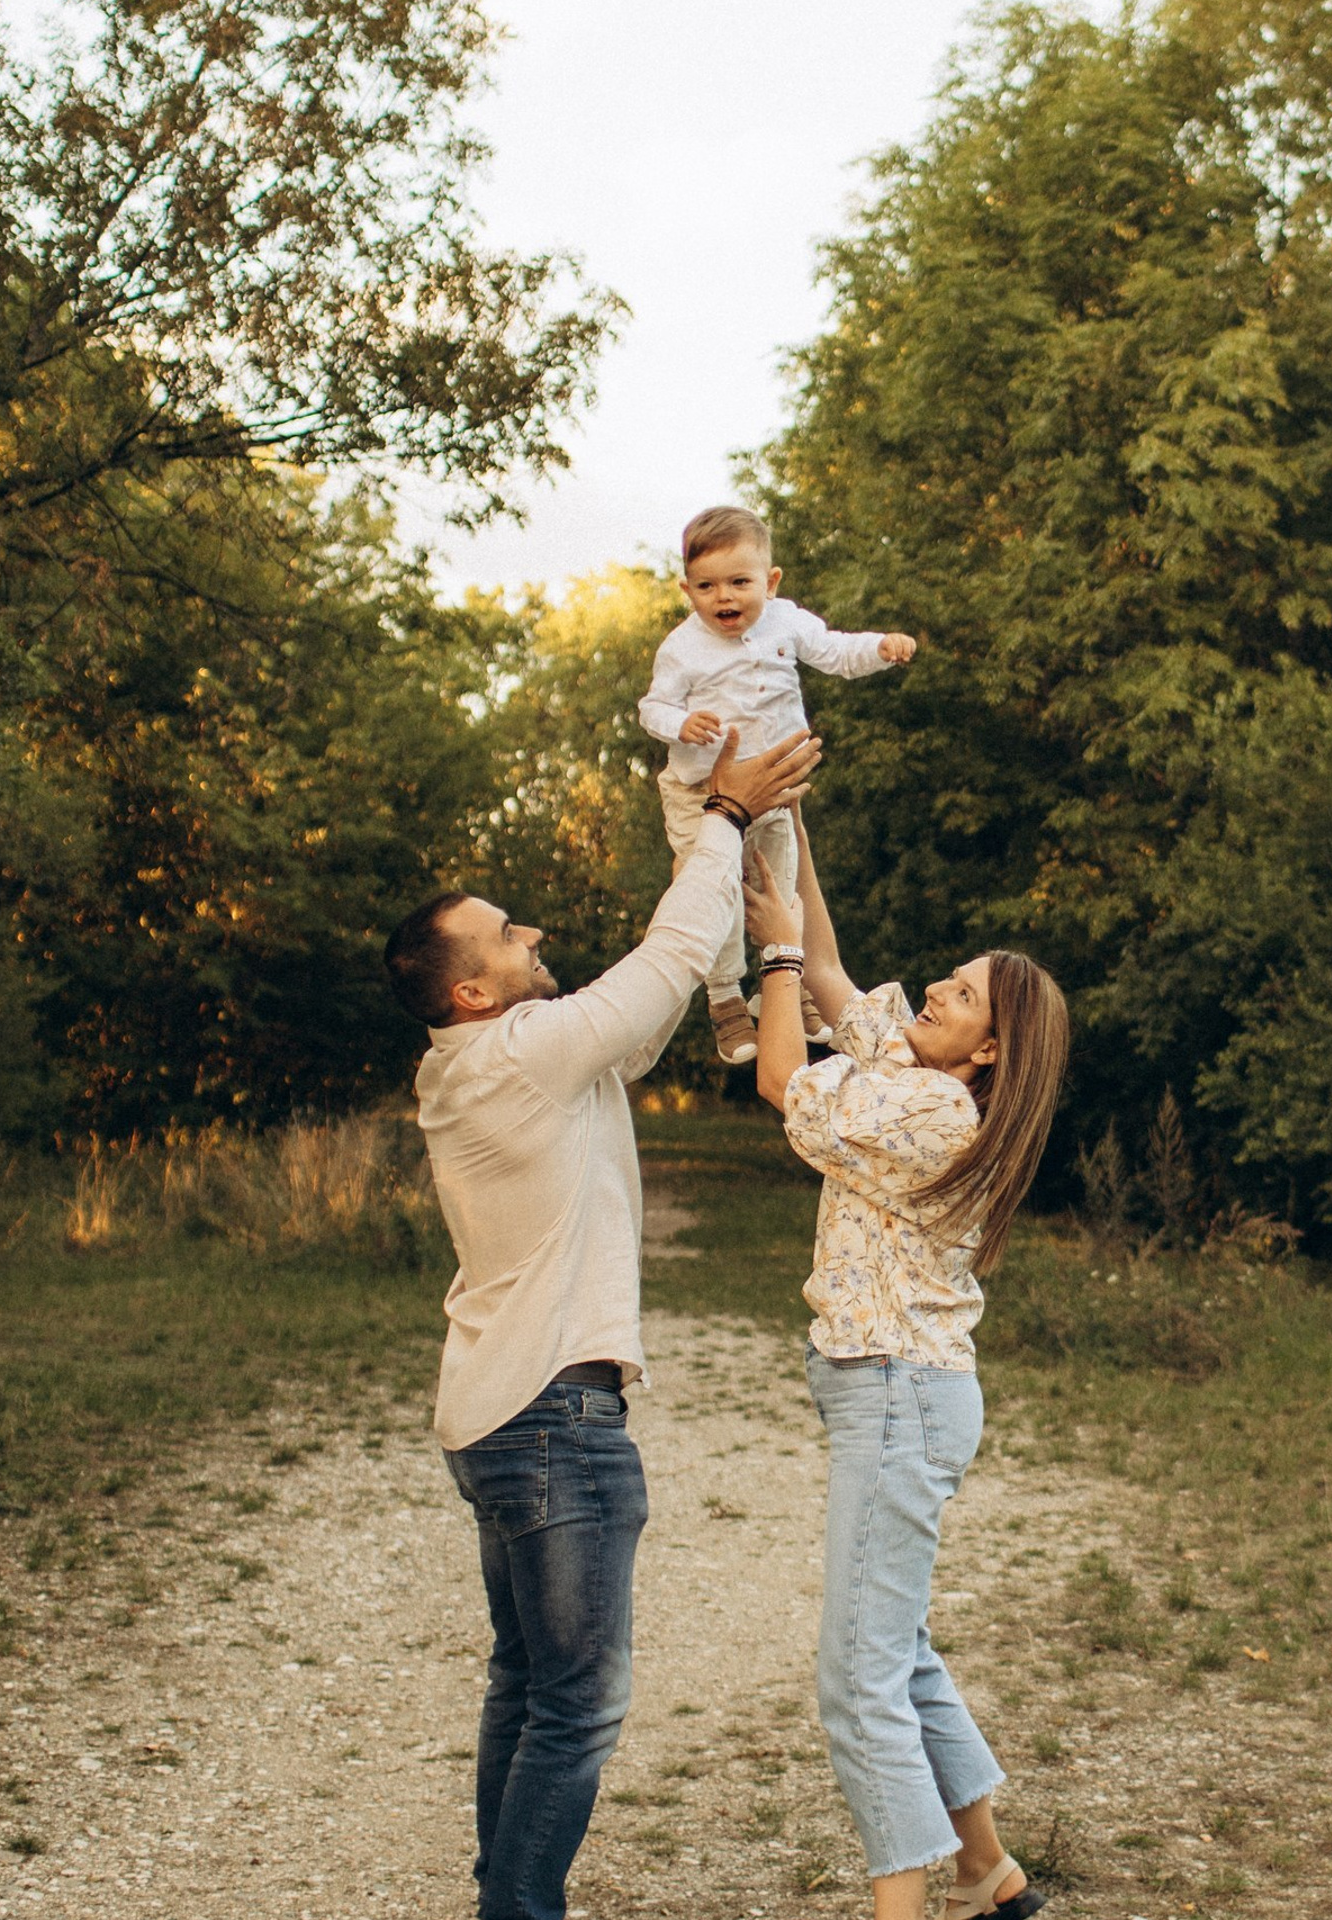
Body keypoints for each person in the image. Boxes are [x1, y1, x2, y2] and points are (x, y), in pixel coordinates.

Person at [382, 728, 820, 1920]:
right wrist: (721, 815)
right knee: (577, 1704)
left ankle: (509, 1899)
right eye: (509, 933)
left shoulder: (490, 1061)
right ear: (472, 989)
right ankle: (516, 1912)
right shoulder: (518, 1056)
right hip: (554, 1420)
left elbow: (653, 997)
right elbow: (671, 951)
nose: (534, 936)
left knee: (527, 1686)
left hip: (501, 1415)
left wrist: (719, 862)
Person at [742, 810, 1070, 1920]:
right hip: (892, 1394)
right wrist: (787, 832)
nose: (939, 987)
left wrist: (773, 955)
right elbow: (834, 967)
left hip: (897, 1395)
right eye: (957, 975)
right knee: (900, 1649)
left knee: (857, 1680)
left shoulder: (931, 1109)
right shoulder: (907, 1066)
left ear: (989, 1052)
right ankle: (988, 1871)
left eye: (965, 995)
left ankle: (904, 1909)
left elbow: (780, 1073)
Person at [637, 504, 918, 1065]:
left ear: (770, 582)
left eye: (739, 583)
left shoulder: (787, 621)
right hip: (702, 794)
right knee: (718, 895)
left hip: (775, 790)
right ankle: (724, 1002)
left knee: (781, 885)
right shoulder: (682, 647)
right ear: (686, 590)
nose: (724, 598)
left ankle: (778, 985)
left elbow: (837, 651)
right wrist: (680, 724)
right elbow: (653, 707)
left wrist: (881, 648)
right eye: (706, 586)